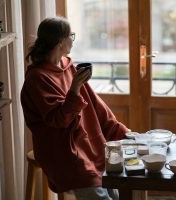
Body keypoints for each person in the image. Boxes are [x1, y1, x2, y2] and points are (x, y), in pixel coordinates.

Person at [20, 16, 129, 200]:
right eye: (71, 35)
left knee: (116, 189)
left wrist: (123, 133)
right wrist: (74, 89)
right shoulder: (37, 78)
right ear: (60, 42)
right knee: (99, 195)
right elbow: (59, 119)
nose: (73, 39)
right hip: (62, 149)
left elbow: (96, 106)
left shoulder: (68, 67)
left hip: (87, 143)